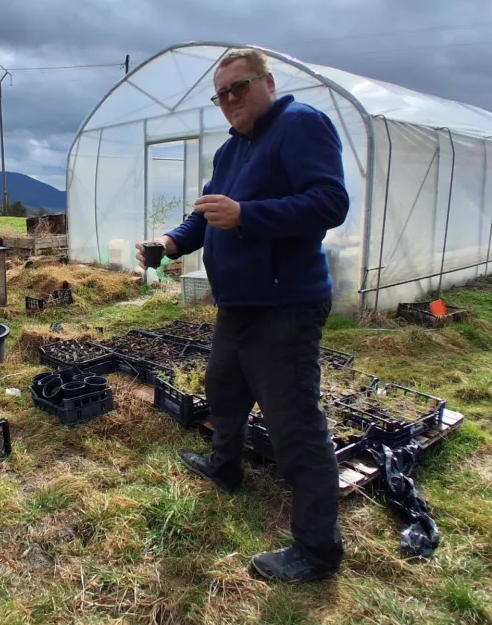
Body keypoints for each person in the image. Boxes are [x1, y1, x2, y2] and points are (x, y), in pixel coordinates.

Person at [136, 47, 350, 583]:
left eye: (240, 87)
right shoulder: (232, 150)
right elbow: (207, 216)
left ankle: (318, 550)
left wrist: (247, 215)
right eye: (222, 93)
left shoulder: (302, 125)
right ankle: (223, 467)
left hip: (286, 305)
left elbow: (330, 203)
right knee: (224, 390)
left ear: (267, 83)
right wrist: (167, 243)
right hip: (238, 303)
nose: (231, 99)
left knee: (295, 424)